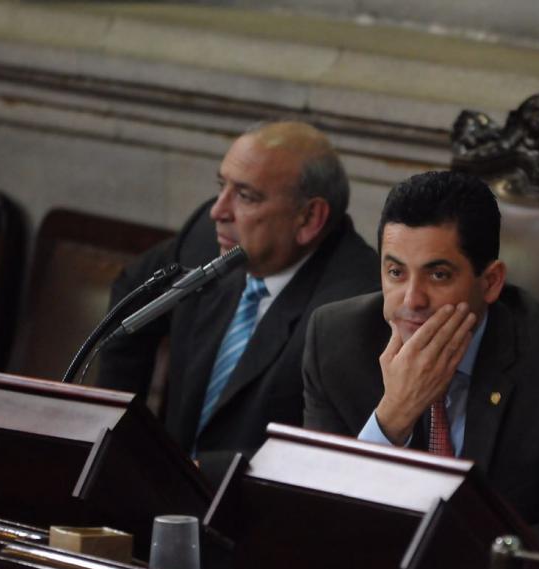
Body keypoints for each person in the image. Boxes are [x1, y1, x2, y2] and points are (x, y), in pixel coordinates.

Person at [302, 170, 539, 545]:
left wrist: (458, 553)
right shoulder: (336, 340)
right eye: (395, 272)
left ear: (490, 282)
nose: (412, 300)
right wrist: (393, 416)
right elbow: (317, 510)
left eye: (438, 275)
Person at [98, 121, 380, 485]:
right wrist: (125, 437)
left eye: (246, 196)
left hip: (253, 510)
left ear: (309, 217)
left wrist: (198, 475)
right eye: (222, 186)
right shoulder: (207, 239)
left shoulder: (354, 308)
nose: (218, 210)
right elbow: (129, 301)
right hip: (161, 496)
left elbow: (325, 455)